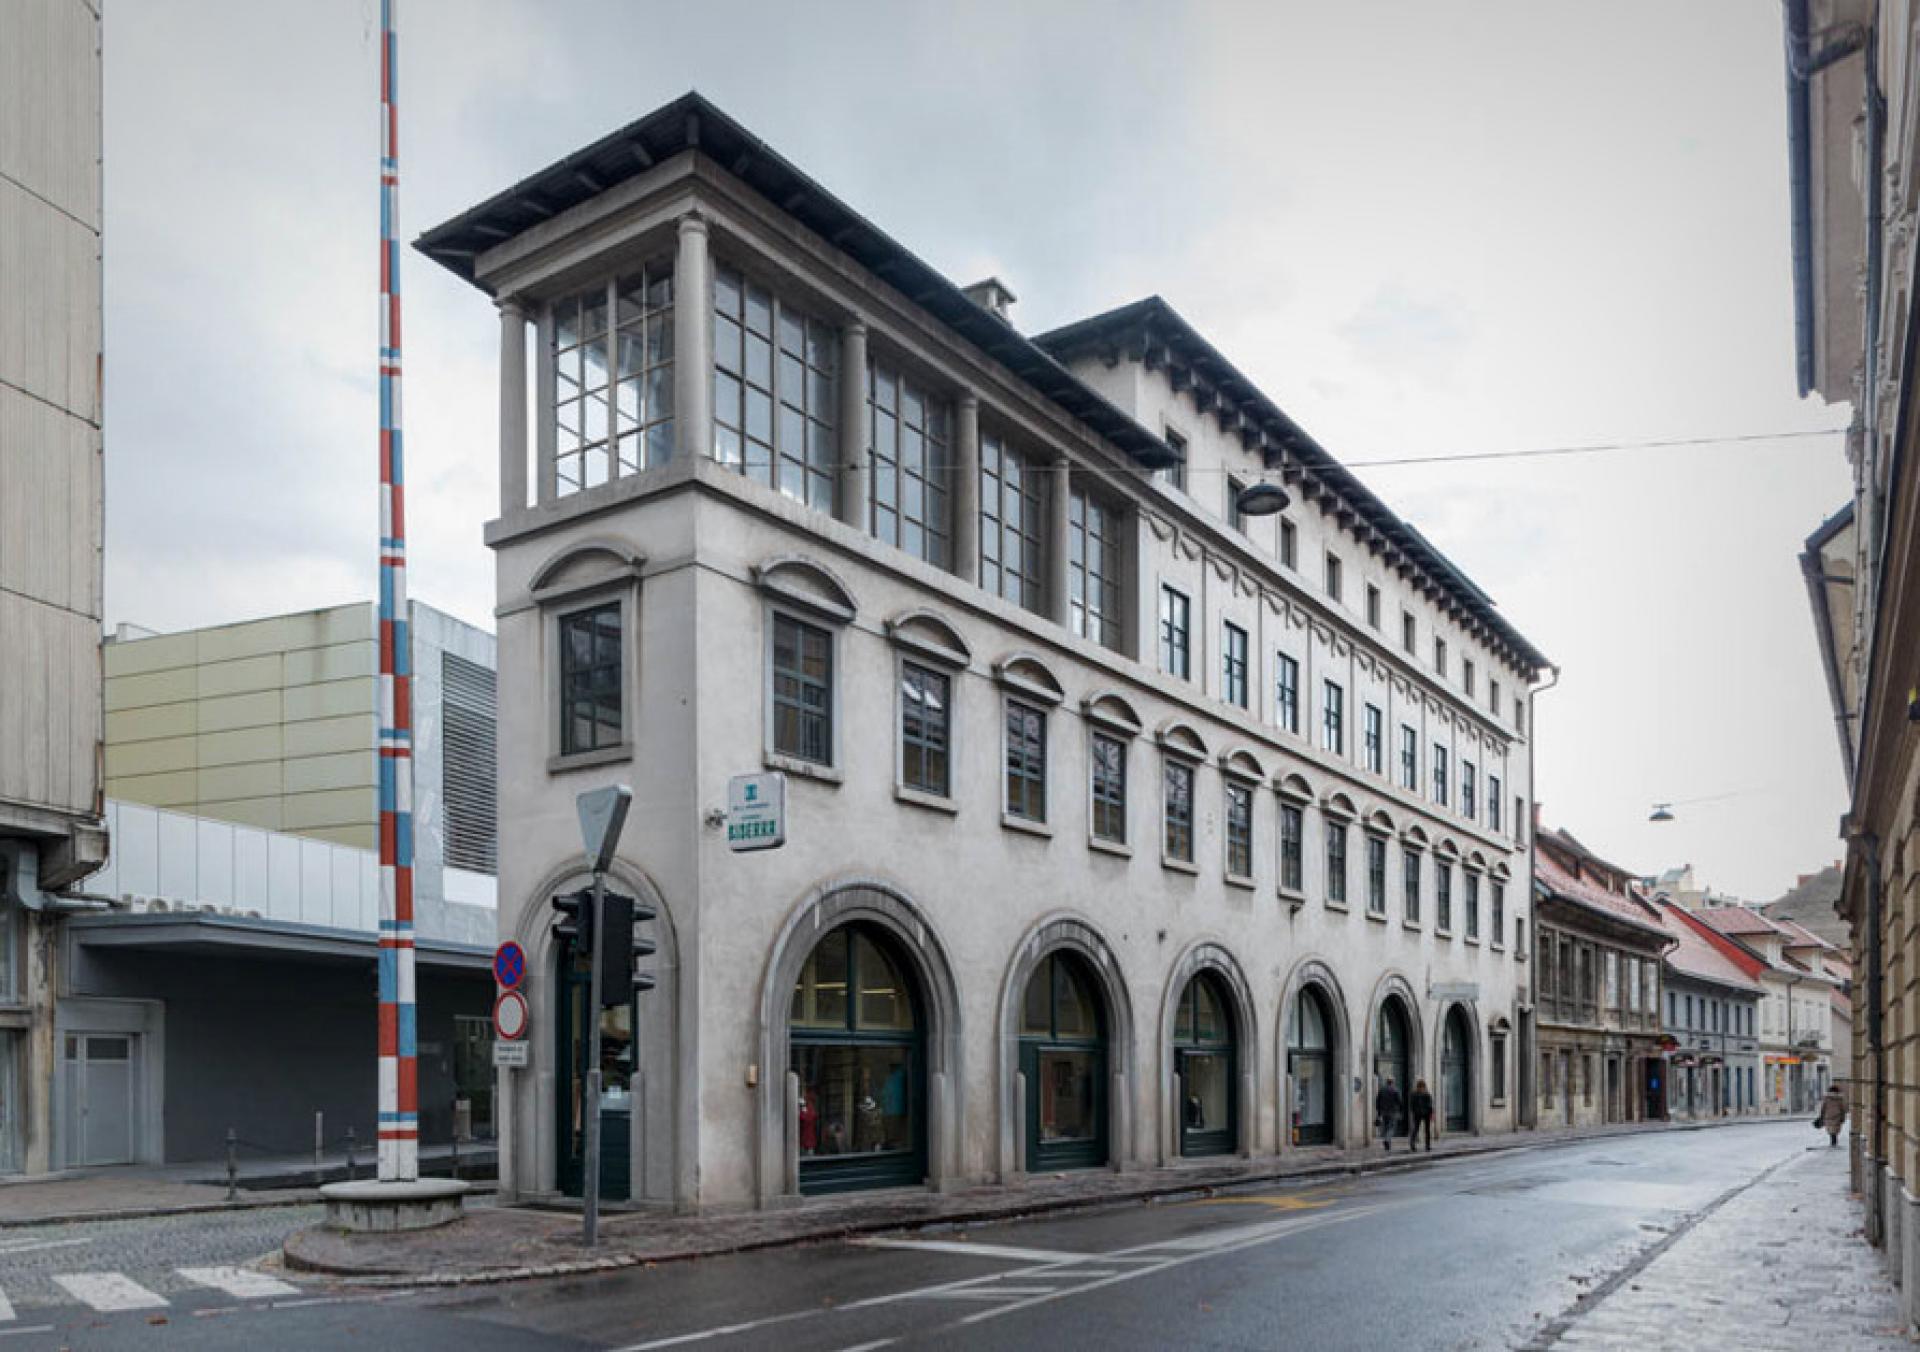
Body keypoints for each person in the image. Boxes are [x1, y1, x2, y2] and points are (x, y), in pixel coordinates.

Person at [1375, 1077, 1404, 1152]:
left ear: (1386, 1082)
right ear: (1393, 1082)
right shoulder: (1396, 1090)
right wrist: (1401, 1111)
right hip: (1393, 1112)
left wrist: (1378, 1112)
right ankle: (1387, 1140)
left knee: (1385, 1127)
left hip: (1383, 1112)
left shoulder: (1382, 1090)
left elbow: (1377, 1101)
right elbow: (1400, 1102)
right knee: (1391, 1128)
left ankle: (1387, 1145)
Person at [1408, 1078, 1435, 1152]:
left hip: (1417, 1114)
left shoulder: (1413, 1094)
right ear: (1424, 1086)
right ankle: (1427, 1146)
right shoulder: (1427, 1094)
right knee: (1427, 1130)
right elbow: (1430, 1105)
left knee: (1416, 1129)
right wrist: (1431, 1113)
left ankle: (1412, 1144)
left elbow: (1411, 1105)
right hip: (1426, 1113)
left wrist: (1414, 1111)